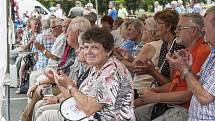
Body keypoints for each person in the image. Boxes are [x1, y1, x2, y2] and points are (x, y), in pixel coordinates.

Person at [37, 27, 135, 121]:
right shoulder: (97, 67)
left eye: (95, 47)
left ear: (108, 51)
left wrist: (70, 86)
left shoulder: (110, 73)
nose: (88, 51)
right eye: (86, 47)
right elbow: (77, 100)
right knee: (44, 112)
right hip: (86, 116)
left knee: (45, 116)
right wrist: (60, 81)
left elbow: (89, 109)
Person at [134, 13, 210, 121]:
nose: (176, 31)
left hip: (184, 109)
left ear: (193, 31)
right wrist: (153, 91)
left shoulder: (203, 51)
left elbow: (189, 95)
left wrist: (155, 96)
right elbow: (174, 84)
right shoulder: (186, 51)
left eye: (180, 28)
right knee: (131, 115)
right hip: (171, 105)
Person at [166, 6, 215, 120]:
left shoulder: (205, 50)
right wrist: (188, 68)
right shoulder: (212, 53)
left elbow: (204, 97)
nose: (203, 30)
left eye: (205, 26)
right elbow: (201, 83)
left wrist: (184, 69)